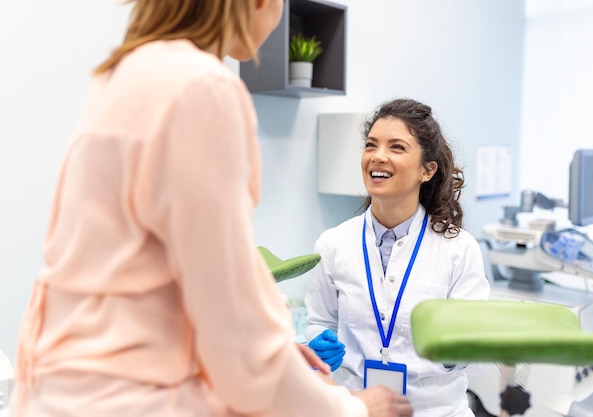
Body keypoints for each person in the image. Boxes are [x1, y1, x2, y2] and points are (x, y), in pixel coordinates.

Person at [9, 2, 413, 417]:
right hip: (133, 398)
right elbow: (237, 345)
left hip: (63, 391)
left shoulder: (125, 76)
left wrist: (274, 352)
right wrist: (352, 409)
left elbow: (148, 287)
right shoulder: (201, 89)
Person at [305, 98, 491, 416]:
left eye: (397, 147)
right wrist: (319, 341)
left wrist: (452, 350)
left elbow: (470, 349)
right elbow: (320, 320)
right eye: (371, 145)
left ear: (427, 170)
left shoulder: (459, 250)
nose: (378, 157)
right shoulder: (333, 244)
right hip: (356, 408)